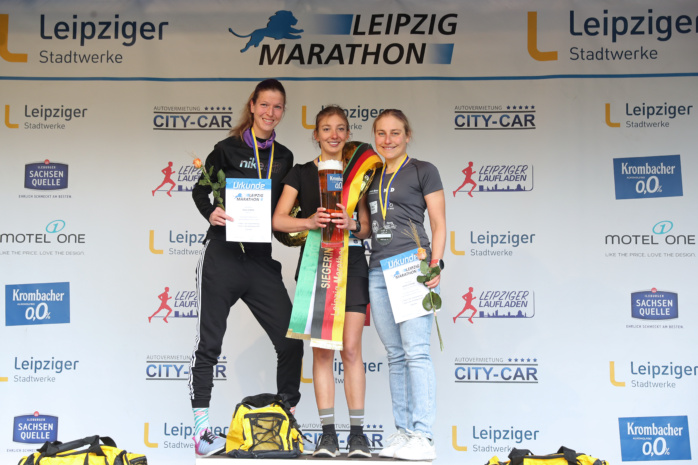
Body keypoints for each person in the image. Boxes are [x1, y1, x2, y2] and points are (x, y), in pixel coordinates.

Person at [188, 79, 304, 457]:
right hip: (222, 255)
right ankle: (202, 432)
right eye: (264, 105)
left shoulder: (284, 157)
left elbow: (283, 210)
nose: (270, 112)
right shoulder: (226, 148)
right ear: (252, 106)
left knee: (290, 340)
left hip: (258, 259)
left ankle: (286, 416)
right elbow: (200, 190)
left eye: (277, 107)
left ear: (282, 112)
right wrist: (211, 212)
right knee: (210, 344)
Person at [272, 105, 375, 458]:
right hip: (316, 265)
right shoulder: (301, 173)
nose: (334, 134)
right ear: (316, 135)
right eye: (326, 128)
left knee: (351, 349)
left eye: (341, 128)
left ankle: (358, 435)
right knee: (322, 352)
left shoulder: (357, 175)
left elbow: (366, 227)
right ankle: (328, 435)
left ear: (348, 134)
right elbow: (279, 220)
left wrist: (353, 224)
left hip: (354, 264)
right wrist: (309, 222)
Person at [366, 109, 446, 461]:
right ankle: (404, 432)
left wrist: (435, 263)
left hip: (413, 268)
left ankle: (423, 436)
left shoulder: (424, 170)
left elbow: (439, 223)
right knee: (396, 355)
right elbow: (366, 225)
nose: (388, 140)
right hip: (377, 271)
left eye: (395, 133)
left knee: (416, 352)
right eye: (381, 133)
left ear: (407, 135)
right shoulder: (371, 174)